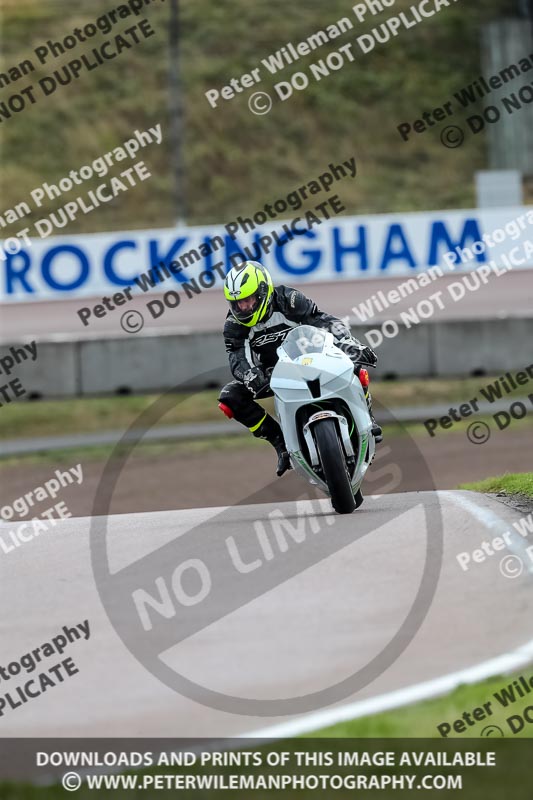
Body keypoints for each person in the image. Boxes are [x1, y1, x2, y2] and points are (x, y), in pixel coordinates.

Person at [218, 260, 382, 476]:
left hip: (312, 357)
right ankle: (281, 444)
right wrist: (251, 376)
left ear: (263, 291)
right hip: (272, 374)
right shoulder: (234, 325)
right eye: (238, 303)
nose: (244, 308)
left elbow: (323, 321)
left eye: (248, 300)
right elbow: (237, 357)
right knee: (230, 397)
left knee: (354, 362)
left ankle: (368, 417)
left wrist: (349, 344)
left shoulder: (289, 300)